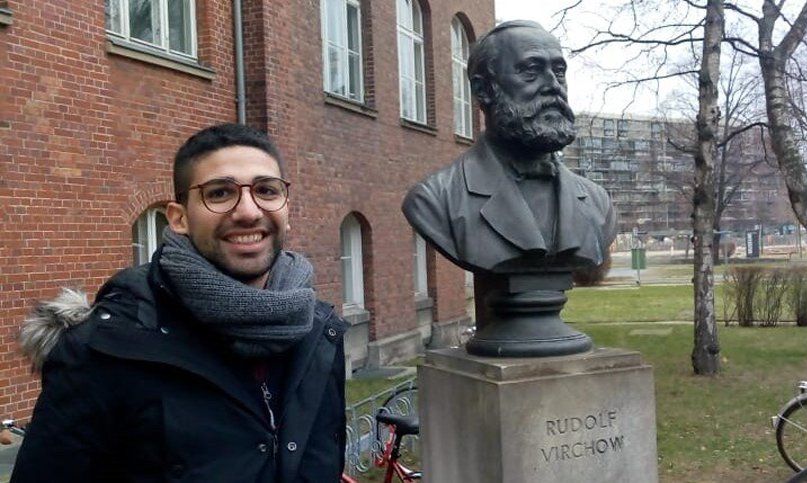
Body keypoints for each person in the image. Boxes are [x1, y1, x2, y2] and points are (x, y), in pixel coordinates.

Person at [13, 124, 348, 482]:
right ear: (179, 218)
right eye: (219, 193)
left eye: (266, 190)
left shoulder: (318, 332)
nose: (249, 211)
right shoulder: (102, 349)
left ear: (286, 209)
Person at [402, 20, 616, 274]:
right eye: (531, 71)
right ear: (483, 90)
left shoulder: (598, 202)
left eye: (559, 72)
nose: (553, 85)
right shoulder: (437, 198)